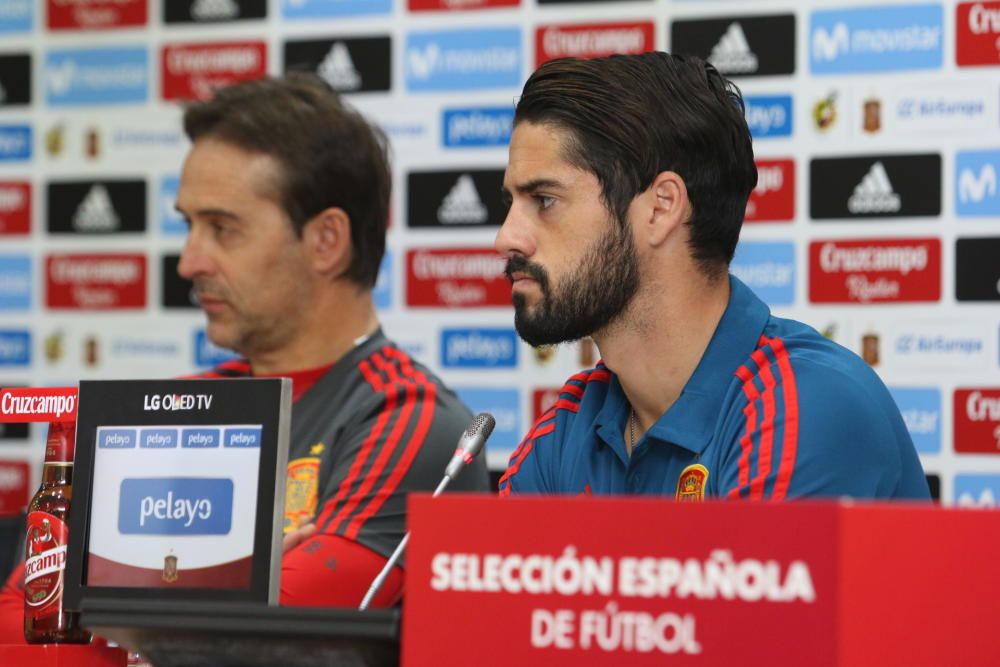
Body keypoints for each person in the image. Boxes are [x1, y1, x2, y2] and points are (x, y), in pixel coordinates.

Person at [0, 73, 488, 643]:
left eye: (222, 229)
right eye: (188, 225)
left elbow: (268, 634)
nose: (187, 262)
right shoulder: (164, 410)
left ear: (327, 241)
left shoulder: (410, 419)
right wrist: (228, 588)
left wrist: (118, 602)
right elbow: (25, 618)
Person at [495, 53, 929, 501]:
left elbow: (745, 573)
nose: (506, 238)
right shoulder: (567, 429)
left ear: (662, 208)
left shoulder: (806, 407)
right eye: (510, 202)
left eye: (544, 200)